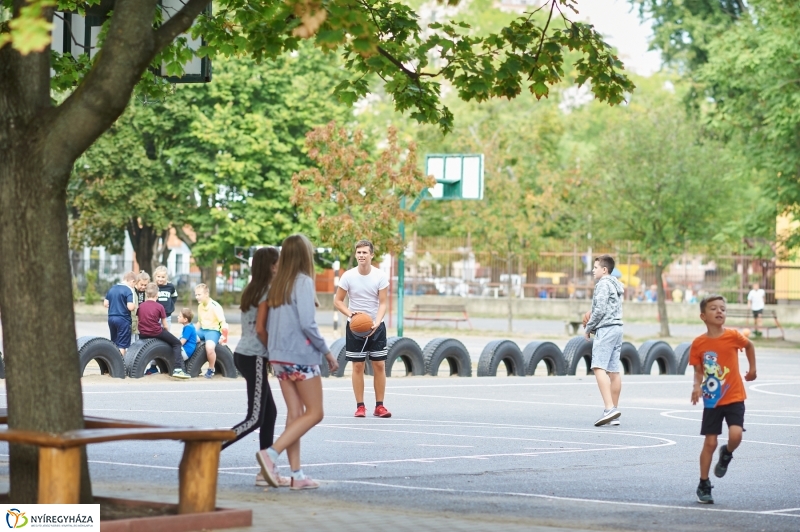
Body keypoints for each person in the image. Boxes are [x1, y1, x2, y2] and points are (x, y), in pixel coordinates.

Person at [256, 234, 338, 490]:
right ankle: (271, 454)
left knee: (295, 415)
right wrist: (327, 352)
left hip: (279, 357)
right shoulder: (302, 282)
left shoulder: (277, 284)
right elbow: (308, 323)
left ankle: (297, 476)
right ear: (304, 255)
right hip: (299, 357)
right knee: (315, 413)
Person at [221, 247, 291, 487]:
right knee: (255, 418)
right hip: (254, 356)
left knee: (269, 414)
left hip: (246, 353)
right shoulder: (266, 291)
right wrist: (274, 353)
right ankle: (210, 447)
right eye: (278, 263)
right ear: (272, 266)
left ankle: (265, 471)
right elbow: (261, 329)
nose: (281, 266)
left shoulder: (252, 289)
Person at [690, 294, 757, 504]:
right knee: (710, 442)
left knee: (736, 435)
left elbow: (749, 346)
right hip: (712, 398)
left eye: (722, 308)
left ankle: (726, 453)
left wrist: (752, 370)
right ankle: (703, 482)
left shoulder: (733, 336)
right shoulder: (699, 343)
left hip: (735, 395)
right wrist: (696, 387)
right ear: (703, 315)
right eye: (713, 308)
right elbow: (699, 370)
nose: (719, 311)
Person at [333, 239, 391, 418]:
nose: (361, 255)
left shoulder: (380, 276)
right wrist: (351, 315)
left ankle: (379, 406)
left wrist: (377, 321)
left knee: (379, 365)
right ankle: (360, 406)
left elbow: (383, 303)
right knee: (357, 366)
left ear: (371, 255)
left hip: (376, 326)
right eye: (359, 252)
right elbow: (338, 301)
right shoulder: (348, 276)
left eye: (365, 252)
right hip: (356, 327)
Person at [583, 255, 625, 427]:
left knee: (598, 367)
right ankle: (613, 412)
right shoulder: (616, 284)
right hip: (617, 328)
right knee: (613, 371)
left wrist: (588, 328)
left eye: (595, 267)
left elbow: (599, 310)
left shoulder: (602, 284)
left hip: (606, 329)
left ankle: (609, 409)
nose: (593, 270)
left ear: (604, 269)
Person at [137, 282, 190, 379]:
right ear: (157, 295)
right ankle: (178, 369)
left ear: (146, 294)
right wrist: (166, 332)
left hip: (143, 334)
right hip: (156, 332)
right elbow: (165, 325)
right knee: (176, 343)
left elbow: (138, 321)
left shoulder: (140, 306)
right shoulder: (160, 307)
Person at [144, 265, 180, 375]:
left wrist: (170, 306)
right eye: (158, 276)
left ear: (166, 277)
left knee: (166, 339)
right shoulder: (154, 287)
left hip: (166, 317)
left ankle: (165, 365)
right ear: (155, 277)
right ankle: (153, 366)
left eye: (163, 277)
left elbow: (174, 296)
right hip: (155, 318)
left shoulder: (170, 287)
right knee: (154, 341)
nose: (160, 279)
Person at [194, 283, 228, 379]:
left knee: (209, 348)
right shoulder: (200, 306)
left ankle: (211, 368)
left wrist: (223, 337)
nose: (197, 297)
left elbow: (223, 322)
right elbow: (199, 322)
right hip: (202, 330)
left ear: (206, 294)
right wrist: (193, 333)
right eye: (196, 295)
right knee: (188, 337)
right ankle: (191, 364)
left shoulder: (215, 306)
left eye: (199, 295)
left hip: (213, 331)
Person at [103, 272, 137, 355]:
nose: (134, 286)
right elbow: (130, 307)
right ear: (132, 281)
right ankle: (120, 365)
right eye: (134, 284)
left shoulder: (112, 288)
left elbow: (105, 303)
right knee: (122, 345)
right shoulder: (129, 290)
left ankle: (112, 363)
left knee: (114, 343)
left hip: (111, 318)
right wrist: (135, 306)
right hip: (123, 319)